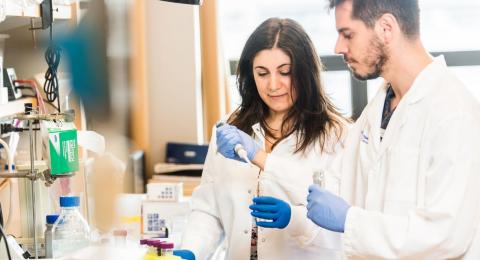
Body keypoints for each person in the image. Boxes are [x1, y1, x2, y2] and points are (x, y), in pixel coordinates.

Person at [218, 0, 480, 259]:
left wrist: (350, 221)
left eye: (347, 34)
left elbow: (445, 236)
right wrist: (260, 158)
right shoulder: (379, 107)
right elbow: (333, 183)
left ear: (386, 28)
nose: (338, 47)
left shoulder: (453, 112)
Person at [175, 18, 348, 260]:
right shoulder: (232, 129)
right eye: (262, 73)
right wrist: (191, 250)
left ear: (306, 72)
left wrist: (295, 219)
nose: (273, 85)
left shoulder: (336, 135)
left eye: (285, 72)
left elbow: (343, 224)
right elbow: (208, 209)